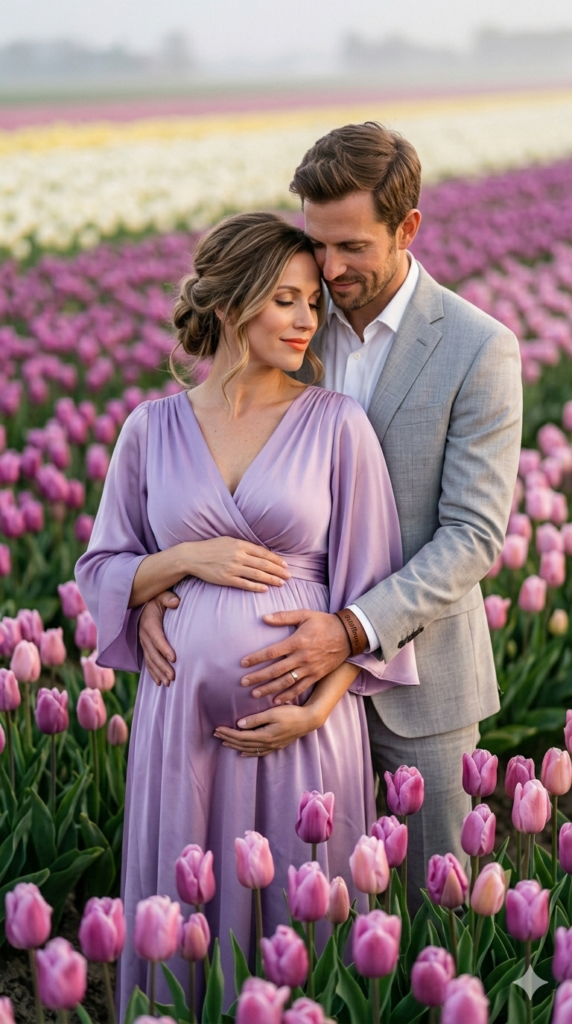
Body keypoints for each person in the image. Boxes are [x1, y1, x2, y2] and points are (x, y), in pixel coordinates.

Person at [139, 123, 523, 908]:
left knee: (433, 913)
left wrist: (349, 630)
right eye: (320, 244)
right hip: (283, 696)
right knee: (311, 915)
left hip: (421, 691)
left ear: (407, 229)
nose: (332, 268)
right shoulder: (292, 327)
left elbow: (472, 537)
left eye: (353, 246)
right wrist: (152, 588)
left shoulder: (479, 349)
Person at [75, 211, 418, 1015]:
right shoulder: (149, 429)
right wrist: (184, 561)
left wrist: (317, 711)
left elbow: (373, 594)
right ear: (233, 305)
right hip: (180, 725)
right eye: (287, 302)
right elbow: (100, 567)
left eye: (313, 306)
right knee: (182, 931)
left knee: (300, 934)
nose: (308, 322)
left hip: (304, 732)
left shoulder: (338, 426)